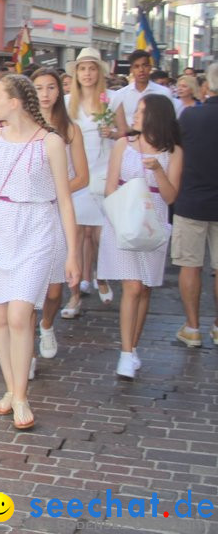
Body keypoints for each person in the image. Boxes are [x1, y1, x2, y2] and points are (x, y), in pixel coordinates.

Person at [0, 75, 79, 430]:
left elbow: (66, 201)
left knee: (19, 314)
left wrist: (73, 254)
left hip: (38, 226)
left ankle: (22, 396)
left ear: (14, 101)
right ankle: (12, 389)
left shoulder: (52, 142)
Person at [98, 95, 182, 381]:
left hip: (154, 222)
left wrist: (158, 170)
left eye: (142, 111)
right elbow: (110, 186)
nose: (135, 115)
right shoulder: (124, 144)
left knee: (145, 287)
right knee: (132, 286)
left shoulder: (174, 152)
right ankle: (124, 352)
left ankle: (133, 347)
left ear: (155, 116)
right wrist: (121, 209)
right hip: (124, 218)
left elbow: (171, 197)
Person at [31, 68, 88, 369]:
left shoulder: (70, 129)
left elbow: (83, 176)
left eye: (50, 87)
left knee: (54, 289)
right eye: (38, 87)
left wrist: (57, 189)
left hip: (56, 209)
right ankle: (25, 354)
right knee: (27, 287)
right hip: (28, 212)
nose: (45, 93)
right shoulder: (23, 126)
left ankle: (47, 325)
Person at [62, 48, 114, 316]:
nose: (87, 74)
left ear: (99, 72)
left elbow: (126, 134)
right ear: (76, 73)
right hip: (78, 172)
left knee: (99, 234)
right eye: (82, 69)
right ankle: (74, 295)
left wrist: (114, 131)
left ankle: (100, 276)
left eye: (92, 68)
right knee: (77, 233)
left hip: (104, 171)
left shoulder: (111, 100)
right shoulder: (68, 101)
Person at [172, 62, 218, 348]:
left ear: (206, 87)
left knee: (190, 266)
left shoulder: (189, 117)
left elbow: (176, 156)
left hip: (191, 200)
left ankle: (193, 328)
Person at [110, 50, 174, 136]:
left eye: (145, 65)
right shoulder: (120, 95)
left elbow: (170, 122)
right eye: (136, 66)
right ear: (131, 70)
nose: (141, 70)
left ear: (150, 67)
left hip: (156, 142)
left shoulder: (163, 93)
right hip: (129, 143)